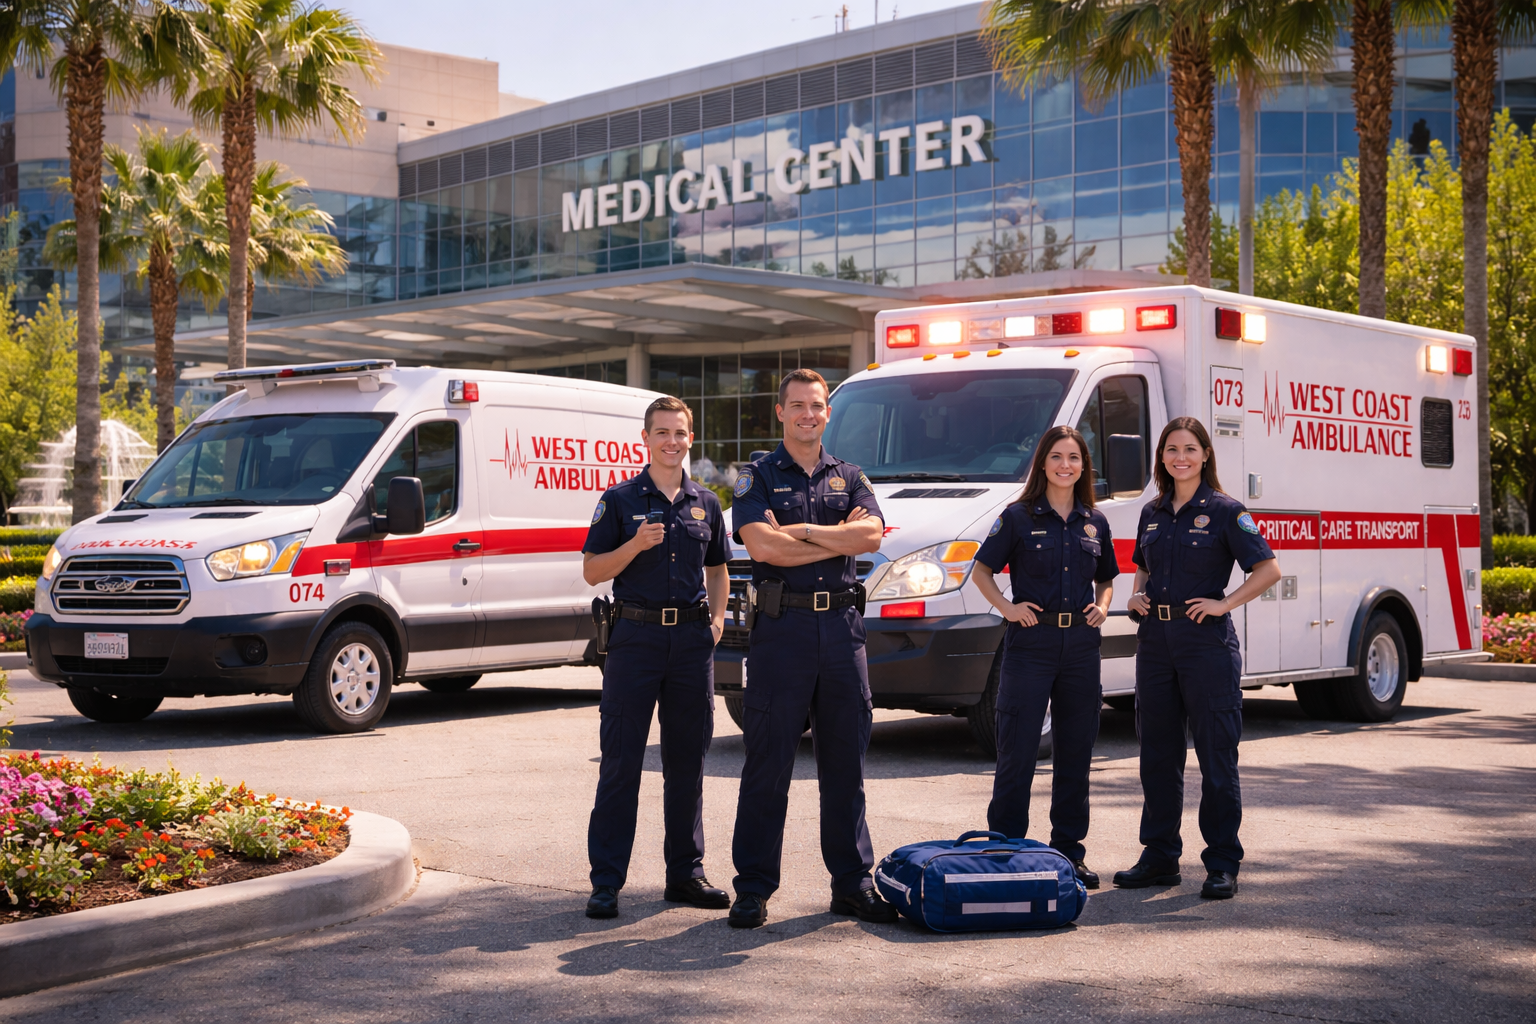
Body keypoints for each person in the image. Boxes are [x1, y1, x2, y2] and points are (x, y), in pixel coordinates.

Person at [727, 368, 893, 929]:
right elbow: (761, 549)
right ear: (780, 413)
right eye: (796, 405)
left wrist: (798, 532)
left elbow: (871, 536)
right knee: (767, 764)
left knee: (845, 767)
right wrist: (828, 535)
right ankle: (752, 888)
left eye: (816, 405)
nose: (807, 414)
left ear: (827, 412)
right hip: (783, 635)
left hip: (843, 635)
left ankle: (851, 884)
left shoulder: (851, 475)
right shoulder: (755, 478)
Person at [1114, 416, 1281, 900]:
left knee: (1216, 757)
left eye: (1189, 448)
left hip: (1206, 644)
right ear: (1161, 457)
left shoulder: (1227, 510)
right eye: (1171, 449)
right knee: (1157, 755)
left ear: (1206, 454)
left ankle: (1223, 861)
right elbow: (1141, 567)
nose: (1179, 457)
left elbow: (1268, 569)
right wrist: (1135, 597)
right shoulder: (1152, 511)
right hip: (1155, 644)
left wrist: (1225, 603)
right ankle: (1160, 857)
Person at [581, 396, 731, 919]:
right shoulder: (620, 500)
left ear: (691, 438)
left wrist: (716, 620)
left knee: (687, 764)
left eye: (681, 433)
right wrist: (635, 547)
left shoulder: (705, 502)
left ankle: (685, 875)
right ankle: (606, 882)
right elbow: (594, 571)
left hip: (691, 645)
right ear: (644, 438)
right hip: (635, 641)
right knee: (621, 762)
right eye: (662, 432)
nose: (672, 442)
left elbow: (718, 568)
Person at [971, 425, 1118, 890]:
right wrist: (1008, 608)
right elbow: (981, 571)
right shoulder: (1017, 517)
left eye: (1074, 457)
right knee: (1017, 753)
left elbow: (1108, 577)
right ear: (1043, 463)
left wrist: (1105, 604)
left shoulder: (1096, 521)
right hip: (1030, 646)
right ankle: (1006, 849)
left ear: (1083, 466)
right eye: (1057, 456)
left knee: (1075, 754)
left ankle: (1068, 854)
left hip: (1080, 647)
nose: (1066, 465)